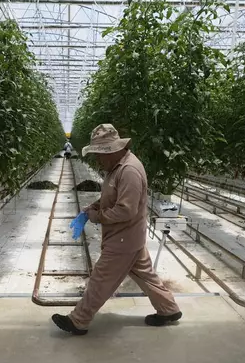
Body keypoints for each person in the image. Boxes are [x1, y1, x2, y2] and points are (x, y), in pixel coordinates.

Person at [52, 124, 182, 336]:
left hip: (123, 239)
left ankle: (79, 320)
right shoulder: (117, 168)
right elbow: (113, 198)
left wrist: (97, 217)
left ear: (112, 151)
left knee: (101, 279)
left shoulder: (128, 171)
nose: (98, 160)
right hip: (131, 238)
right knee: (146, 275)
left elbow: (125, 211)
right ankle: (169, 309)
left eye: (100, 155)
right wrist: (94, 206)